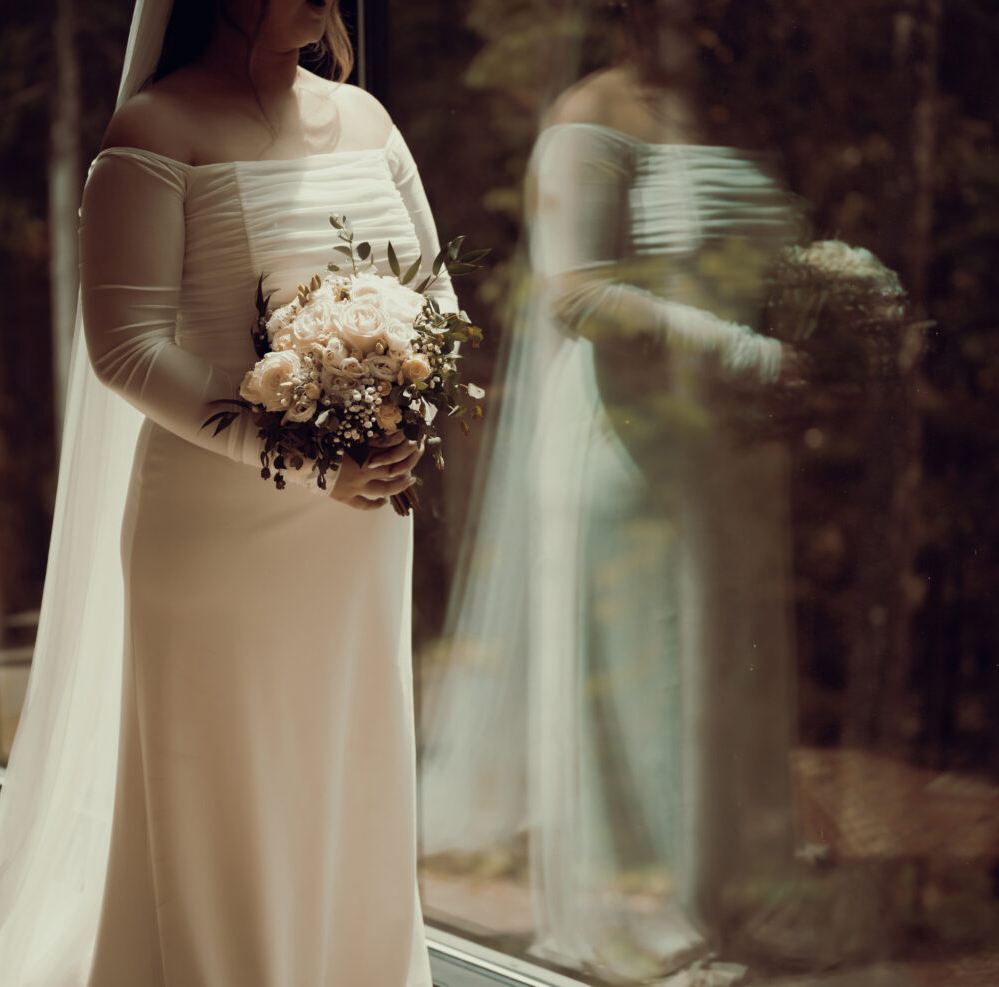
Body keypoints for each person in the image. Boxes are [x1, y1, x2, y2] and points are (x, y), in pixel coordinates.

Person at [0, 1, 454, 984]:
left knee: (347, 767)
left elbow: (439, 300)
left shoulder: (367, 121)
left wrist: (410, 412)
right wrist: (304, 455)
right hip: (216, 528)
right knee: (227, 786)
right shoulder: (155, 130)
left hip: (358, 522)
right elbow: (125, 351)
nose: (319, 0)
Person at [420, 1, 807, 983]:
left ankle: (712, 900)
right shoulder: (587, 113)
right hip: (622, 446)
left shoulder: (720, 110)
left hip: (719, 451)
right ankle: (650, 926)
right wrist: (741, 350)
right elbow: (576, 292)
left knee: (720, 682)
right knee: (650, 684)